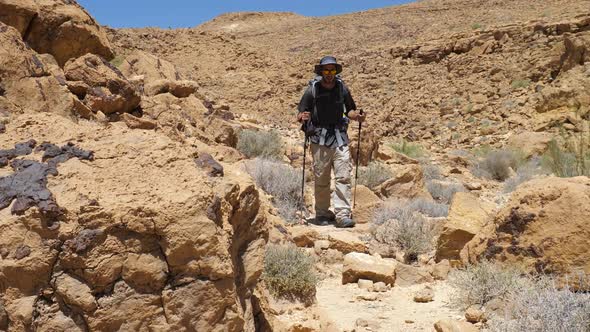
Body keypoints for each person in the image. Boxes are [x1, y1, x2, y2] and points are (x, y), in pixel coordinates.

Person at [297, 56, 366, 228]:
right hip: (319, 138)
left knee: (343, 176)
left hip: (339, 136)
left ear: (336, 71)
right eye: (326, 70)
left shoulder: (342, 88)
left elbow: (349, 110)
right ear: (321, 72)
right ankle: (322, 213)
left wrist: (357, 116)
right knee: (322, 177)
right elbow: (301, 112)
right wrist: (303, 117)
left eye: (332, 70)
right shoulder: (312, 89)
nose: (329, 74)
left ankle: (342, 214)